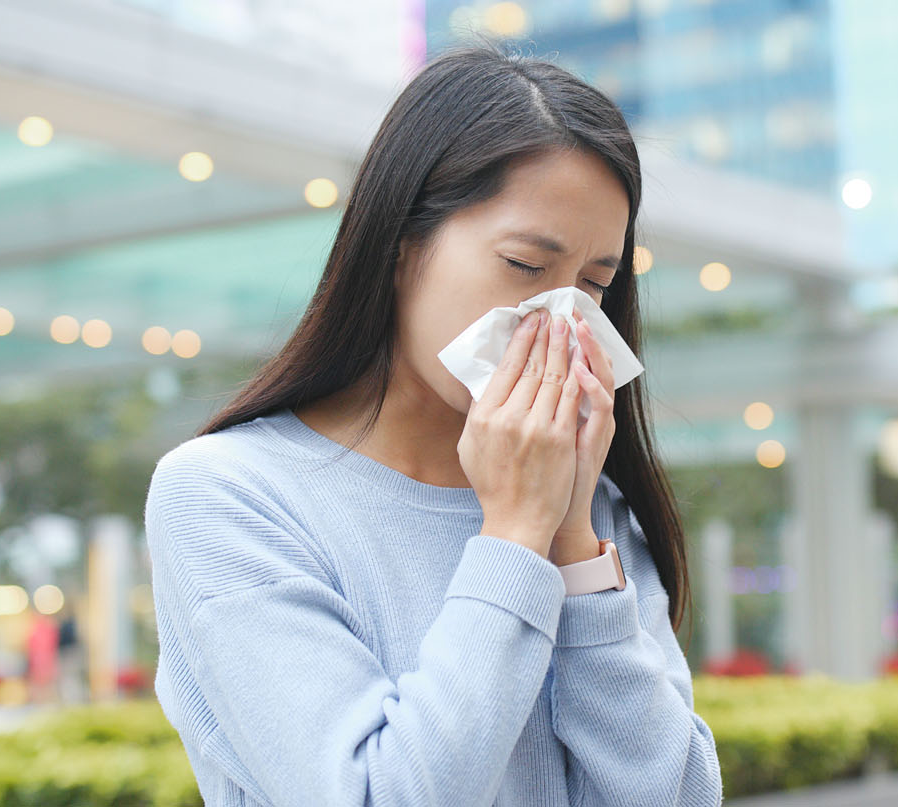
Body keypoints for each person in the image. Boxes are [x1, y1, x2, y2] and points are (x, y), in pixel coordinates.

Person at [142, 39, 724, 807]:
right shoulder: (230, 496)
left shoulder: (590, 506)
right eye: (524, 266)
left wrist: (572, 542)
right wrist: (514, 532)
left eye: (595, 283)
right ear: (400, 245)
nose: (559, 314)